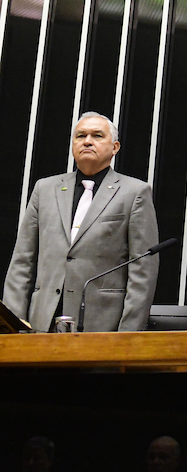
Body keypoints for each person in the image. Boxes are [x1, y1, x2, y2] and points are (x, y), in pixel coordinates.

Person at [3, 112, 160, 332]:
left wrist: (128, 334)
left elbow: (142, 271)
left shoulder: (135, 192)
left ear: (115, 147)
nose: (87, 141)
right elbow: (22, 261)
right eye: (80, 136)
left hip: (102, 325)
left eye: (97, 135)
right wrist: (12, 325)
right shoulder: (45, 189)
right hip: (42, 321)